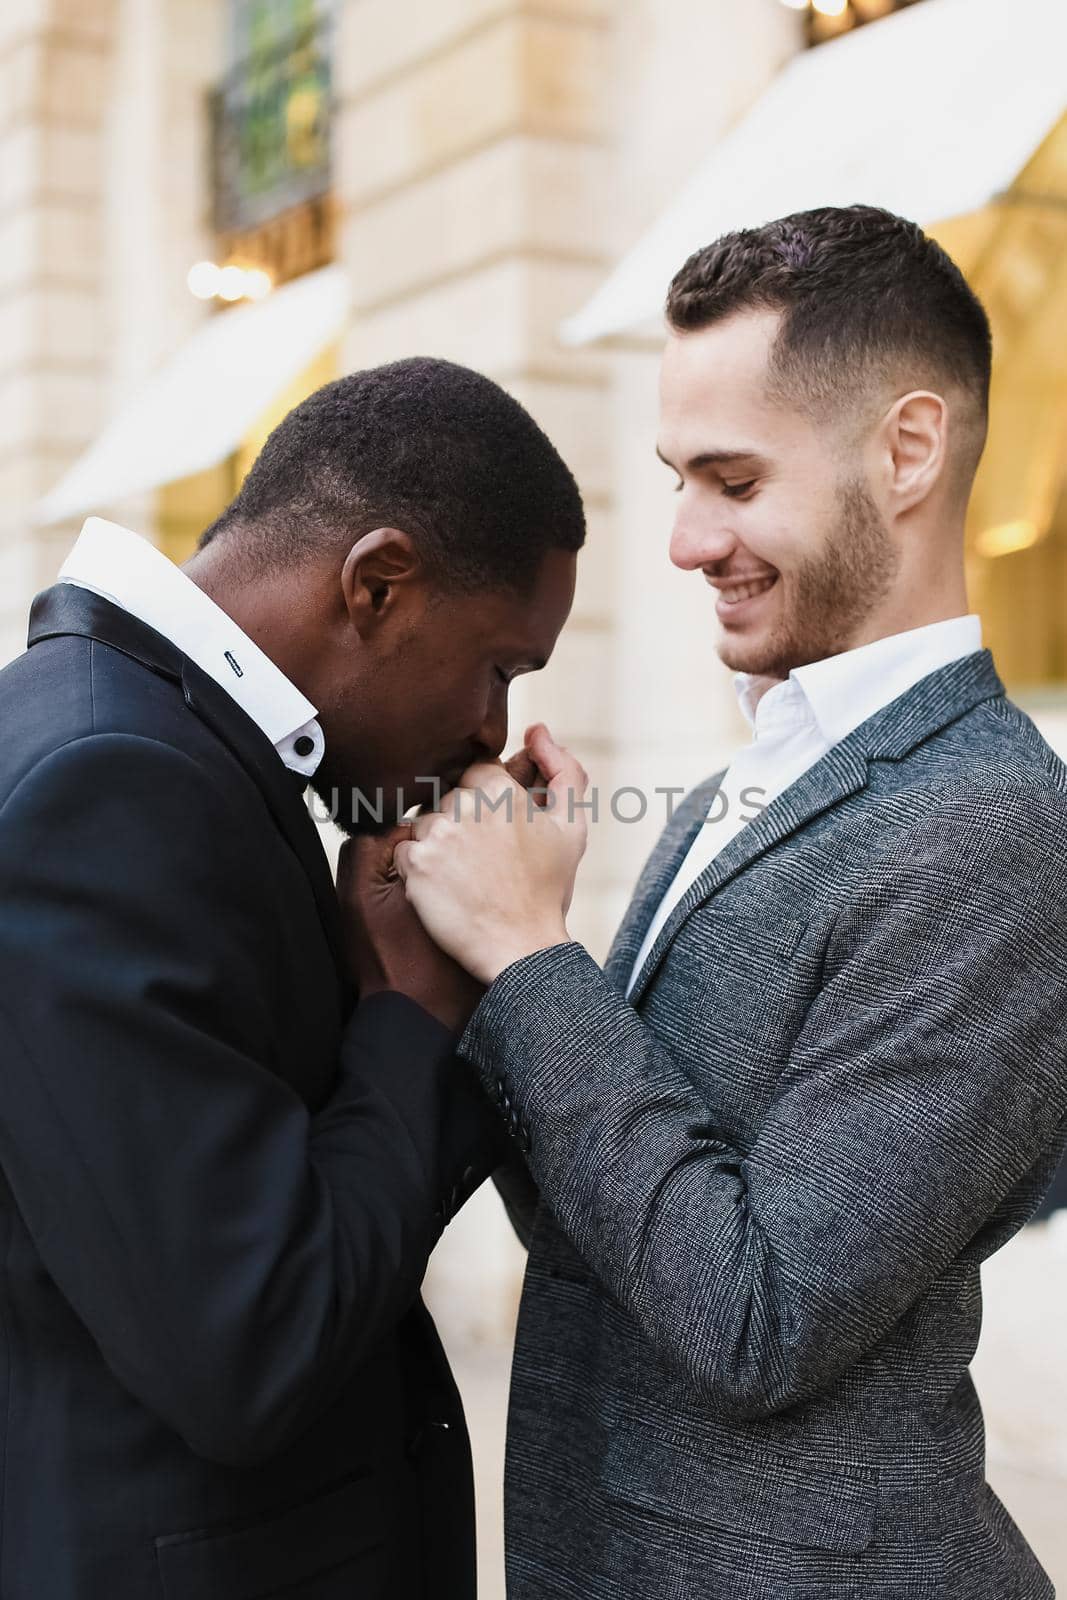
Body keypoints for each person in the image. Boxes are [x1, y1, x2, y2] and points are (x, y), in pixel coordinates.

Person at [361, 209, 1067, 1598]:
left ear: (905, 451)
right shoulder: (741, 784)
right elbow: (603, 1228)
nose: (683, 540)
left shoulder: (994, 827)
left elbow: (758, 1316)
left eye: (730, 480)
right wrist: (460, 944)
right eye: (677, 478)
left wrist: (526, 953)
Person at [0, 356, 582, 1598]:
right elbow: (247, 1344)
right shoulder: (107, 782)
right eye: (499, 668)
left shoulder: (139, 739)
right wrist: (410, 1011)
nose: (491, 729)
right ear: (375, 583)